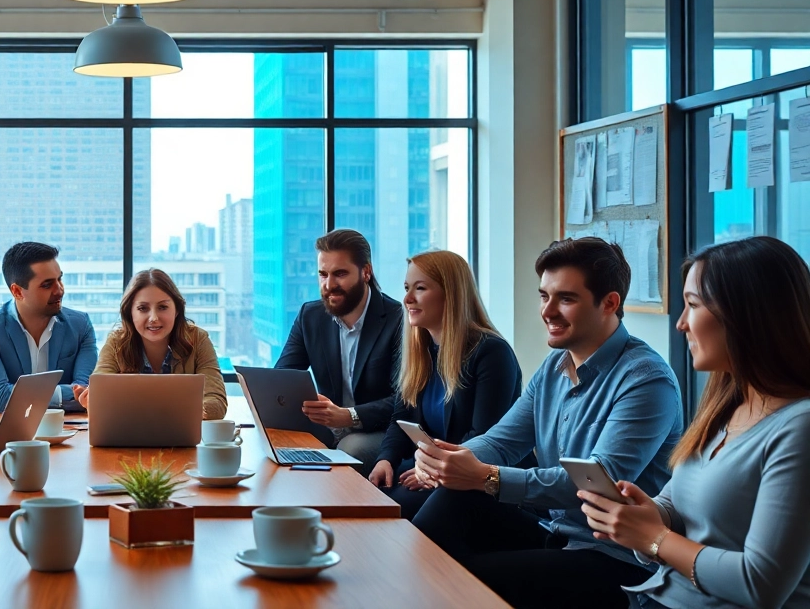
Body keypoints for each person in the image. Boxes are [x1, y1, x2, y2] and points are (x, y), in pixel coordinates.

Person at [410, 237, 684, 609]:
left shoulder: (646, 380)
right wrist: (449, 459)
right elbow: (501, 442)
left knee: (462, 578)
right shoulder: (554, 366)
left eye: (565, 299)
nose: (547, 311)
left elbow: (592, 485)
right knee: (451, 505)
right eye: (544, 296)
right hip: (556, 533)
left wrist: (486, 477)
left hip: (618, 561)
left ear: (609, 303)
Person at [580, 236, 810, 609]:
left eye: (693, 305)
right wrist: (644, 513)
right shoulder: (725, 407)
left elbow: (761, 585)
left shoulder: (800, 427)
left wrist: (654, 538)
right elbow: (675, 505)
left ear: (745, 316)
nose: (681, 324)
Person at [367, 250, 522, 520]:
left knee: (390, 511)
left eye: (420, 288)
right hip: (434, 470)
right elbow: (401, 418)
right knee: (371, 495)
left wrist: (431, 470)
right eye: (406, 288)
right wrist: (386, 459)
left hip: (478, 481)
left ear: (451, 295)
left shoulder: (491, 353)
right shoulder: (421, 351)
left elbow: (484, 438)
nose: (407, 299)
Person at [274, 228, 403, 471]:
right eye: (323, 274)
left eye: (340, 274)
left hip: (380, 430)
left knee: (350, 449)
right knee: (275, 441)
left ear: (366, 272)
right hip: (328, 427)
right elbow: (282, 378)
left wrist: (349, 415)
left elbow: (405, 400)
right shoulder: (310, 316)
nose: (329, 285)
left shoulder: (398, 320)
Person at [71, 268, 228, 419]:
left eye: (163, 307)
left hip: (182, 435)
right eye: (143, 308)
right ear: (130, 312)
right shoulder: (116, 342)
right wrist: (93, 400)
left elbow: (216, 403)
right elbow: (100, 394)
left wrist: (155, 412)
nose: (153, 318)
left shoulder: (198, 339)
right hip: (130, 435)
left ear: (177, 310)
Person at [0, 242, 98, 415]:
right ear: (17, 291)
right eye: (47, 285)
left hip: (67, 426)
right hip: (4, 427)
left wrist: (23, 395)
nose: (59, 290)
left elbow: (88, 394)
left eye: (59, 279)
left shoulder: (80, 324)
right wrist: (65, 394)